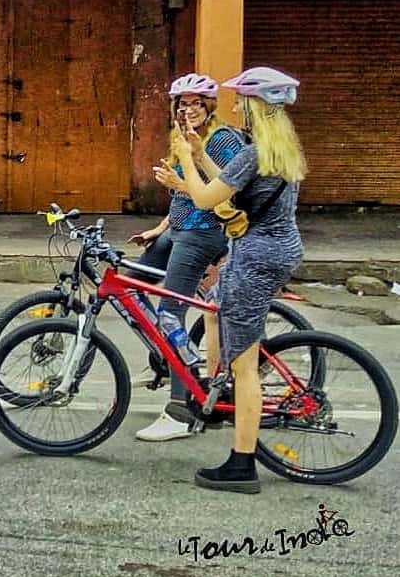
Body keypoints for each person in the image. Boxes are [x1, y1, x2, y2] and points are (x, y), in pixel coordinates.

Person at [153, 66, 306, 494]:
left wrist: (184, 155)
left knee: (245, 367)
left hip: (255, 258)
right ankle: (217, 391)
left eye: (241, 100)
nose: (235, 106)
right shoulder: (279, 150)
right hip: (280, 248)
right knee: (218, 310)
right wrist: (201, 153)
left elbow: (204, 197)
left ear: (256, 106)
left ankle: (243, 465)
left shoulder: (253, 154)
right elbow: (227, 180)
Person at [129, 73, 246, 442]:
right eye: (183, 104)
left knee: (169, 315)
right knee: (129, 290)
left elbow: (222, 192)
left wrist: (182, 183)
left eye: (196, 103)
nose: (188, 110)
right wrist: (159, 229)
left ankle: (180, 409)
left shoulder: (224, 140)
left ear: (209, 106)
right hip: (178, 230)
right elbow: (182, 198)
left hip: (202, 234)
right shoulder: (180, 137)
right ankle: (170, 357)